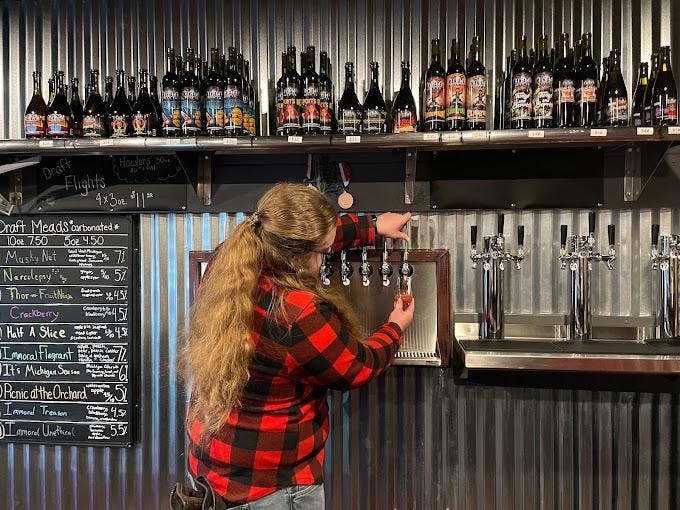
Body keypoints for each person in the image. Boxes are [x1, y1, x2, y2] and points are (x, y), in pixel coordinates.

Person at [182, 183, 415, 509]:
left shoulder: (228, 261)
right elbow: (356, 367)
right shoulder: (298, 312)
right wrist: (395, 327)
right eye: (321, 254)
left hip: (209, 472)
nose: (323, 261)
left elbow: (307, 236)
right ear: (296, 257)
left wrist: (372, 227)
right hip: (273, 490)